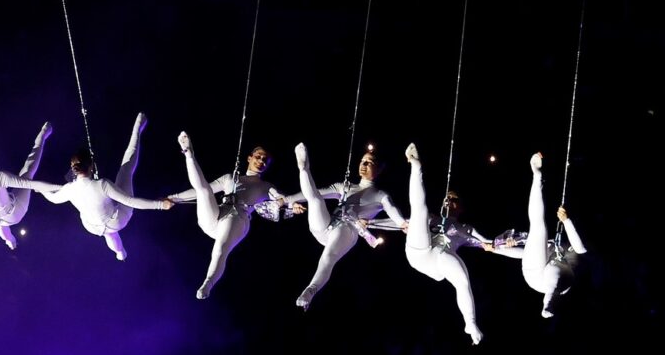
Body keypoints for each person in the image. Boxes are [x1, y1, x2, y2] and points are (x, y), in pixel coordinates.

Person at [171, 134, 305, 300]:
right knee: (204, 191)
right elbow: (200, 190)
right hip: (216, 215)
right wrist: (173, 198)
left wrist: (293, 205)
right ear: (249, 158)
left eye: (265, 161)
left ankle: (208, 283)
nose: (261, 161)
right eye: (258, 157)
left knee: (221, 248)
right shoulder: (230, 178)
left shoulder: (265, 186)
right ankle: (188, 154)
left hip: (237, 219)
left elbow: (282, 198)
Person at [40, 113, 173, 260]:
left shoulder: (69, 189)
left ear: (73, 169)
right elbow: (130, 201)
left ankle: (120, 253)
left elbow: (53, 199)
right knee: (126, 170)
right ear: (91, 166)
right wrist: (160, 205)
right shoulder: (102, 184)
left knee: (109, 233)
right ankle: (138, 127)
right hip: (117, 221)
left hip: (93, 226)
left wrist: (40, 189)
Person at [292, 143, 407, 309]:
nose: (364, 164)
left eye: (369, 162)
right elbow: (315, 192)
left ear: (379, 170)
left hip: (347, 230)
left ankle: (311, 290)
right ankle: (303, 168)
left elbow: (392, 209)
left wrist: (401, 222)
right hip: (327, 224)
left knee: (328, 256)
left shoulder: (380, 195)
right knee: (315, 200)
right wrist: (286, 201)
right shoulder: (345, 187)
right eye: (362, 161)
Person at [401, 143, 489, 344]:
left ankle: (470, 323)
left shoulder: (465, 228)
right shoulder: (432, 217)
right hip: (419, 250)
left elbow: (487, 243)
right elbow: (400, 222)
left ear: (460, 208)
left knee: (462, 279)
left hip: (438, 260)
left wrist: (500, 243)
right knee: (420, 212)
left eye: (453, 199)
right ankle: (416, 166)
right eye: (446, 198)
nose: (448, 201)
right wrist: (370, 222)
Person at [489, 152, 587, 317]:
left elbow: (525, 254)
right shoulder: (567, 260)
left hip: (535, 276)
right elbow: (580, 249)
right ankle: (538, 177)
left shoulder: (565, 260)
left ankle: (548, 304)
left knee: (538, 229)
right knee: (539, 228)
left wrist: (498, 249)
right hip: (556, 276)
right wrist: (566, 221)